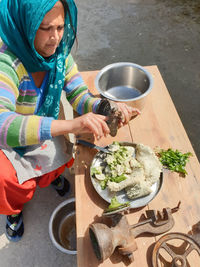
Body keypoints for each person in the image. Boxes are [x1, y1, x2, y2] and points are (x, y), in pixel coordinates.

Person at [0, 0, 140, 242]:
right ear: (24, 26)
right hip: (10, 143)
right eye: (44, 28)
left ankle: (51, 178)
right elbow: (3, 125)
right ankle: (14, 211)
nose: (55, 38)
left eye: (60, 27)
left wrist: (106, 107)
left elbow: (78, 95)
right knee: (5, 181)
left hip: (46, 130)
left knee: (63, 155)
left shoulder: (60, 56)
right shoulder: (7, 63)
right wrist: (73, 125)